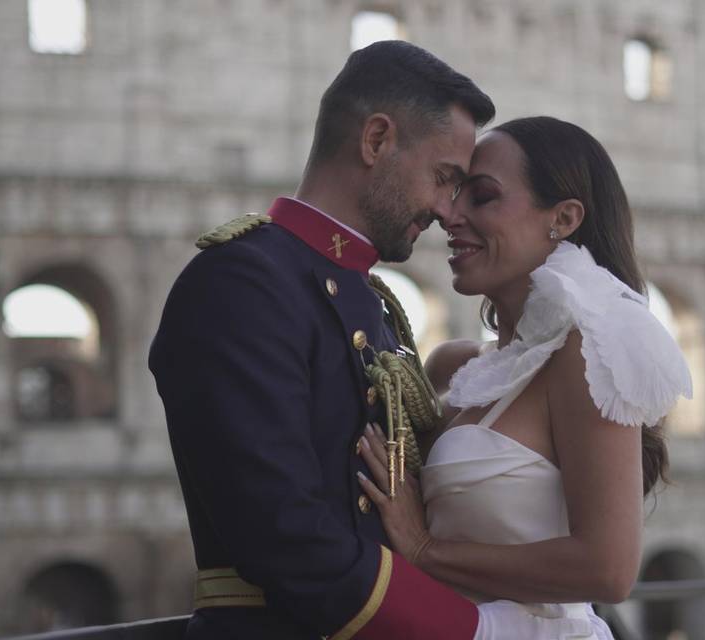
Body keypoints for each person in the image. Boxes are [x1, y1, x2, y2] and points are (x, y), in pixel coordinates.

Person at [149, 42, 595, 639]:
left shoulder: (373, 302)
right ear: (376, 140)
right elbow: (287, 537)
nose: (446, 210)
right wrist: (477, 631)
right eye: (444, 179)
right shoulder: (243, 281)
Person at [356, 116, 694, 639]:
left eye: (483, 197)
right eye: (455, 193)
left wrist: (426, 550)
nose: (451, 214)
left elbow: (609, 568)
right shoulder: (451, 366)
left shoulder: (585, 357)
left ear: (562, 218)